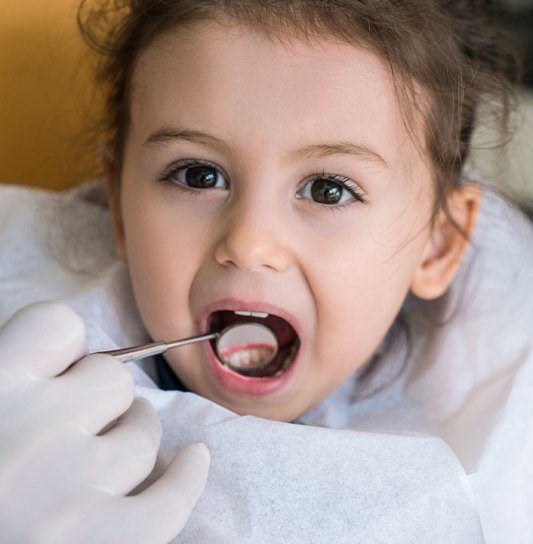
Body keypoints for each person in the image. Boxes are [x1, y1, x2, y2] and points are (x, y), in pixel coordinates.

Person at [1, 0, 531, 542]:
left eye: (328, 189)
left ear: (437, 246)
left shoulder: (498, 443)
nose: (249, 243)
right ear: (118, 206)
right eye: (199, 174)